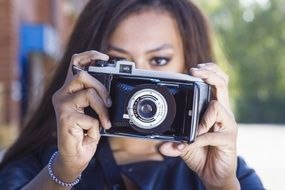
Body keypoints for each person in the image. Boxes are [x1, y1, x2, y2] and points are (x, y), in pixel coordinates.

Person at [0, 0, 264, 189]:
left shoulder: (226, 170)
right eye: (118, 61)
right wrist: (63, 171)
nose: (142, 82)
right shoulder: (41, 164)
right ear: (86, 69)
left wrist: (220, 186)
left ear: (191, 67)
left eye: (159, 61)